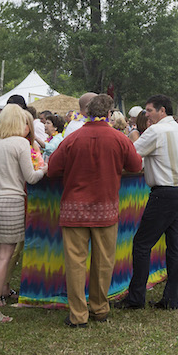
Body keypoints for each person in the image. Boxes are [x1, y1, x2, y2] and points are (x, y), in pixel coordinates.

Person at [44, 93, 142, 327]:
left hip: (74, 209)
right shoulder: (119, 139)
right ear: (109, 114)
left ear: (86, 113)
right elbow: (136, 166)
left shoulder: (72, 138)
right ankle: (100, 308)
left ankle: (78, 315)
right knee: (104, 261)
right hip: (105, 209)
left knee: (75, 263)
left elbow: (52, 169)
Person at [119, 95, 178, 311]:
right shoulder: (177, 129)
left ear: (162, 111)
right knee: (175, 245)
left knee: (142, 244)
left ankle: (136, 298)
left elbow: (130, 156)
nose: (146, 114)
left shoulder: (156, 130)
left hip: (165, 193)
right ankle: (171, 299)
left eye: (149, 110)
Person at [0, 104, 47, 323]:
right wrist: (44, 169)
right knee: (4, 258)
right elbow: (31, 177)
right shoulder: (20, 143)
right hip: (11, 203)